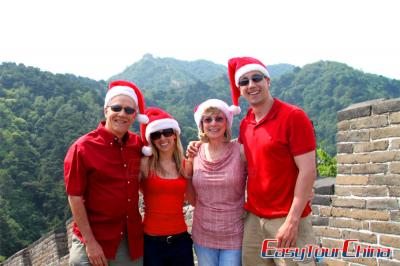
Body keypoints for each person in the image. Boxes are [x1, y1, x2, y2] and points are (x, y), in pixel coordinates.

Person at [228, 57, 317, 266]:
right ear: (239, 89)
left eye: (256, 78)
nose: (251, 85)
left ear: (268, 81)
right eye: (244, 81)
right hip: (254, 219)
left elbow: (308, 171)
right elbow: (240, 155)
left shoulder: (293, 116)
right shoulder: (246, 122)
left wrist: (292, 221)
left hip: (287, 219)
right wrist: (200, 145)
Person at [64, 80, 149, 266]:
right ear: (106, 111)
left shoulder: (138, 145)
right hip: (94, 236)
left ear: (135, 116)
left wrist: (196, 148)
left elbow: (167, 154)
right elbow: (75, 196)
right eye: (117, 108)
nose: (122, 114)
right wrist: (90, 242)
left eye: (129, 110)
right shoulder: (82, 148)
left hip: (129, 239)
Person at [187, 99, 246, 266]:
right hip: (203, 234)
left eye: (219, 119)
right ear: (201, 125)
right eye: (208, 119)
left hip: (234, 234)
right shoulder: (195, 151)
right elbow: (191, 195)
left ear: (227, 122)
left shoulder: (239, 150)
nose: (213, 123)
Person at [139, 107, 194, 266]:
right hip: (152, 242)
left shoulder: (186, 166)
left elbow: (194, 200)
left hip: (181, 240)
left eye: (167, 132)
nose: (162, 138)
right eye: (156, 135)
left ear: (175, 135)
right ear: (151, 140)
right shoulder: (144, 165)